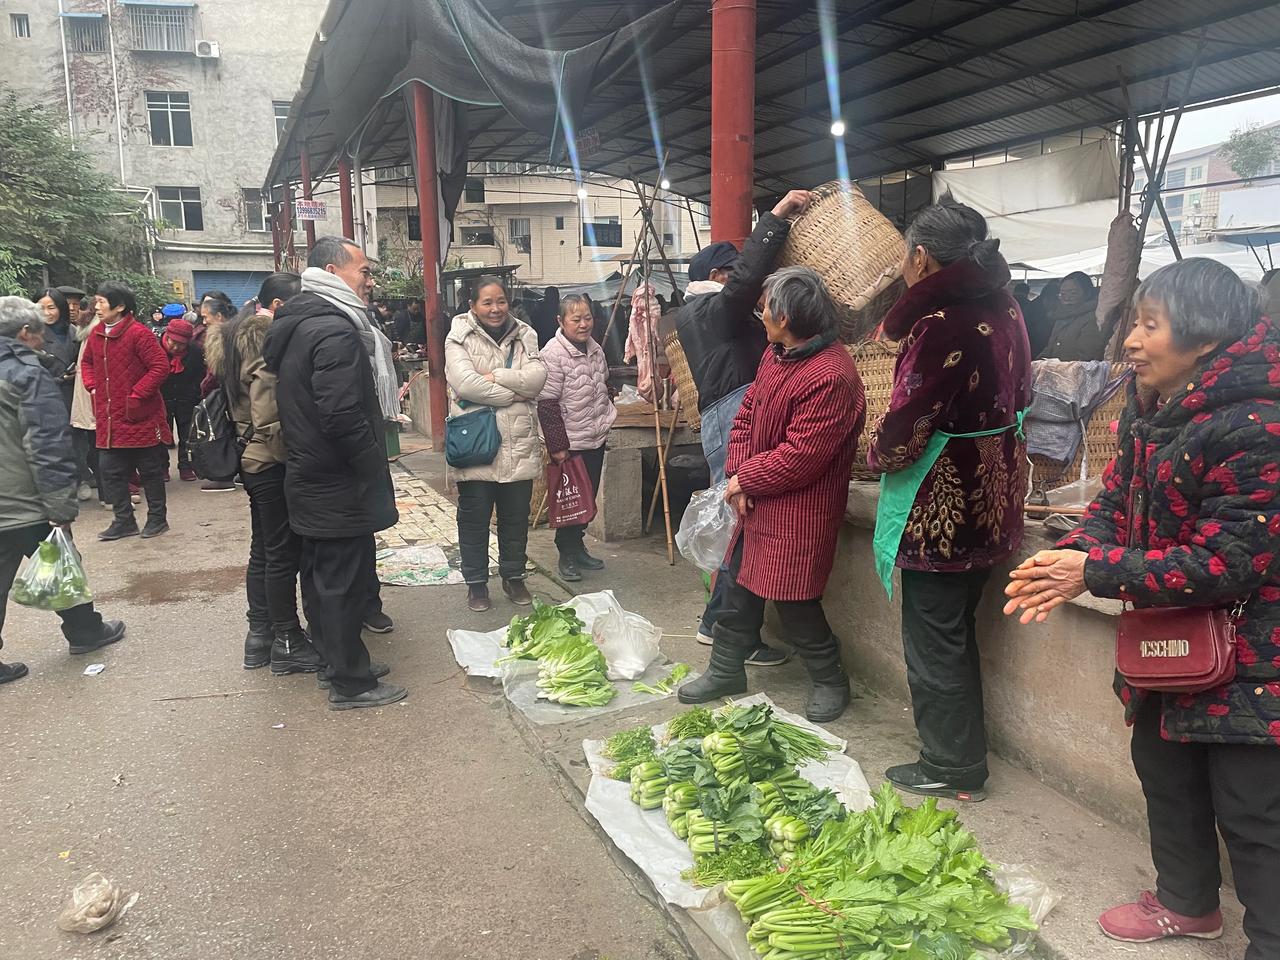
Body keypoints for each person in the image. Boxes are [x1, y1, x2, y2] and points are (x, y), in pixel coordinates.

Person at [1002, 259, 1279, 956]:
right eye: (1134, 322)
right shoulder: (1151, 410)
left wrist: (1094, 570)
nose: (1131, 339)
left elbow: (1231, 561)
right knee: (1165, 771)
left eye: (1149, 324)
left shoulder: (1258, 425)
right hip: (1170, 639)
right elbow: (1113, 506)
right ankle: (1188, 906)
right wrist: (1074, 555)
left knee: (1253, 811)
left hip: (1254, 659)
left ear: (1206, 339)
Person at [869, 199, 1032, 802]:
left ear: (920, 255)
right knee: (956, 632)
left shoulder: (940, 321)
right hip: (995, 497)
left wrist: (875, 456)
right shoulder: (1006, 304)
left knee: (934, 641)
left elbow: (903, 434)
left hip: (943, 509)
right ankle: (962, 752)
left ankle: (952, 764)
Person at [677, 267, 864, 721]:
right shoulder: (777, 354)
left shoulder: (832, 374)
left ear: (786, 316)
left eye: (765, 308)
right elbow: (745, 418)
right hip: (758, 499)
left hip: (801, 508)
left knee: (795, 598)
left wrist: (744, 481)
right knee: (738, 587)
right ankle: (726, 670)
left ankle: (830, 680)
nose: (759, 314)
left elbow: (802, 456)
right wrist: (739, 476)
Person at [263, 237, 406, 710]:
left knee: (322, 576)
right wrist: (370, 466)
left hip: (310, 470)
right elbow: (341, 414)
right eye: (363, 270)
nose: (369, 280)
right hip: (335, 477)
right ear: (332, 271)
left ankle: (335, 662)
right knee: (341, 582)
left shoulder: (304, 322)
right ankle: (351, 682)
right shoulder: (334, 330)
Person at [674, 190, 813, 667]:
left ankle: (719, 623)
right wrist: (775, 219)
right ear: (718, 278)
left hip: (726, 409)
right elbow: (748, 279)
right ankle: (729, 631)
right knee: (740, 522)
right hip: (734, 411)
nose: (751, 288)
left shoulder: (702, 313)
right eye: (735, 275)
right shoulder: (714, 308)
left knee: (737, 521)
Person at [0, 297, 126, 684]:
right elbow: (47, 443)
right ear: (25, 333)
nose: (44, 339)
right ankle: (85, 631)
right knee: (62, 560)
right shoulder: (25, 373)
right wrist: (60, 505)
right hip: (24, 498)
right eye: (40, 331)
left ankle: (86, 628)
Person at [206, 272, 324, 676]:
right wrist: (296, 456)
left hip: (248, 457)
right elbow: (268, 408)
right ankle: (288, 638)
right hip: (269, 459)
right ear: (277, 306)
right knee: (281, 552)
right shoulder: (261, 335)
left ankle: (259, 636)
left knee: (264, 548)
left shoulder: (231, 332)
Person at [445, 276, 547, 613]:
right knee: (473, 521)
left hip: (518, 442)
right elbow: (464, 383)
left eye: (500, 301)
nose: (495, 309)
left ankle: (513, 577)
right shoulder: (458, 336)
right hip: (475, 443)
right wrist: (515, 393)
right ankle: (476, 584)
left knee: (515, 519)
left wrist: (496, 378)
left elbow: (537, 379)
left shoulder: (525, 334)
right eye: (487, 302)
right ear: (472, 304)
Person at [79, 281, 172, 541]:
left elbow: (159, 366)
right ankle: (124, 520)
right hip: (109, 418)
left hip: (140, 415)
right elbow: (87, 364)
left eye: (101, 302)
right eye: (96, 301)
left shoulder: (139, 334)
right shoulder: (96, 334)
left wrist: (137, 394)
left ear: (119, 306)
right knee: (110, 471)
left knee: (150, 471)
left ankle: (157, 519)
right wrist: (92, 386)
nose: (96, 307)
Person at [537, 294, 617, 582]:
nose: (583, 325)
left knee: (587, 498)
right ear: (561, 321)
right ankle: (566, 554)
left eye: (587, 318)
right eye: (576, 319)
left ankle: (578, 546)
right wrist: (558, 447)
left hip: (595, 436)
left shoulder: (596, 349)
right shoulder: (553, 354)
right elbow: (546, 404)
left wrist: (608, 409)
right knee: (570, 501)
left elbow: (602, 382)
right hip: (571, 443)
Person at [157, 318, 205, 481]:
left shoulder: (195, 352)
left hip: (186, 397)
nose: (175, 347)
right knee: (163, 435)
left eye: (181, 344)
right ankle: (163, 467)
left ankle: (186, 466)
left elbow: (200, 375)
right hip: (161, 398)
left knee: (187, 434)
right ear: (167, 336)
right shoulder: (155, 349)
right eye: (173, 342)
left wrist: (195, 393)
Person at [67, 294, 100, 503]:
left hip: (90, 392)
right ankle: (83, 478)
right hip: (80, 392)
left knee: (96, 442)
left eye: (76, 304)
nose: (72, 308)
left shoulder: (92, 330)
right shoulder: (84, 331)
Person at [1038, 270, 1105, 361]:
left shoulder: (1093, 318)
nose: (1067, 298)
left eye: (1073, 293)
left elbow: (1086, 357)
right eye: (1063, 294)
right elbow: (1050, 348)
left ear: (1087, 293)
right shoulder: (1061, 317)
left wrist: (1056, 367)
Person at [33, 289, 78, 409]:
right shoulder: (30, 335)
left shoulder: (73, 331)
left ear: (61, 308)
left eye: (51, 308)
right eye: (41, 308)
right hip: (43, 398)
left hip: (73, 397)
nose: (46, 313)